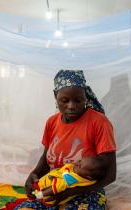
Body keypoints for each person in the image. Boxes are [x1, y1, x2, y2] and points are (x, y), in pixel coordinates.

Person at [16, 69, 116, 210]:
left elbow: (110, 175)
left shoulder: (99, 123)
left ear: (85, 97)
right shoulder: (52, 122)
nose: (71, 106)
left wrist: (68, 192)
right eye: (64, 100)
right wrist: (34, 175)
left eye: (78, 100)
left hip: (85, 192)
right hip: (53, 188)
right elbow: (45, 159)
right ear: (55, 95)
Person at [33, 156, 106, 206]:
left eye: (79, 166)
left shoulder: (71, 179)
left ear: (88, 176)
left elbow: (55, 188)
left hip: (49, 196)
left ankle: (38, 191)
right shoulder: (81, 174)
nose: (77, 163)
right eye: (79, 161)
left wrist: (40, 195)